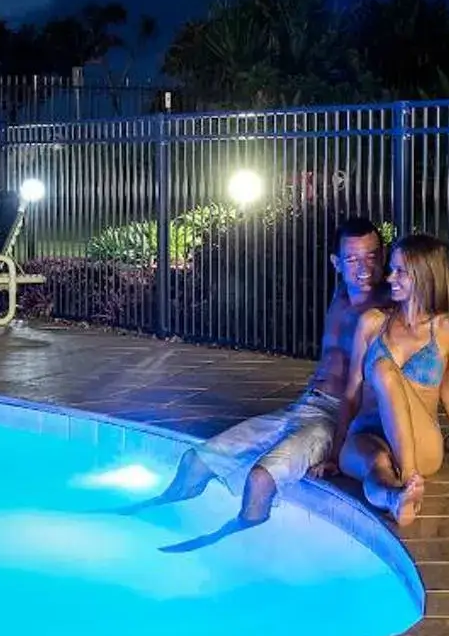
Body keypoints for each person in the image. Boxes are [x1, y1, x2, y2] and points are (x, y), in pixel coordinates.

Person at [145, 214, 385, 549]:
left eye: (372, 256)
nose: (363, 269)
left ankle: (230, 546)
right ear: (336, 263)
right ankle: (148, 516)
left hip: (340, 418)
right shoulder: (341, 296)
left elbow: (359, 392)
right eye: (352, 259)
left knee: (260, 479)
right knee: (195, 460)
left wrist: (339, 451)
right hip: (306, 405)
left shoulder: (385, 310)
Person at [337, 232, 449, 526]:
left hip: (420, 440)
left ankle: (410, 476)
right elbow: (352, 392)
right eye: (391, 269)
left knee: (384, 370)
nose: (390, 278)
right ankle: (395, 497)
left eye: (400, 271)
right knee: (377, 467)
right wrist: (334, 448)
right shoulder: (373, 322)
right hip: (369, 432)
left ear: (425, 275)